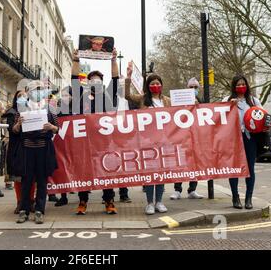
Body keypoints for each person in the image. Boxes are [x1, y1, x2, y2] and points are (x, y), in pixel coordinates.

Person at [72, 48, 119, 215]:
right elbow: (74, 79)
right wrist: (76, 60)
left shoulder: (108, 95)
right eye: (92, 79)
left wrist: (113, 60)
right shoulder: (81, 96)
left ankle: (109, 200)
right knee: (85, 171)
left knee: (106, 171)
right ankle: (83, 201)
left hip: (105, 142)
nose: (95, 82)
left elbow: (115, 78)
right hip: (86, 142)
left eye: (98, 80)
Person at [126, 62, 169, 215]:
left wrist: (194, 101)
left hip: (164, 141)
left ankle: (159, 201)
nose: (155, 86)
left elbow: (183, 108)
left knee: (161, 174)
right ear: (148, 86)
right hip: (147, 142)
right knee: (150, 174)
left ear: (161, 86)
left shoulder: (167, 101)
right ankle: (150, 203)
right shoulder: (143, 99)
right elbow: (127, 96)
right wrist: (128, 78)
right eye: (152, 83)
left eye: (158, 83)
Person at [14, 80, 59, 224]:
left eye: (40, 90)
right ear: (28, 92)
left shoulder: (49, 109)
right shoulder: (22, 108)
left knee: (42, 181)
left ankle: (39, 210)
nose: (37, 93)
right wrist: (19, 124)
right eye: (34, 90)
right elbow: (14, 130)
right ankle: (24, 210)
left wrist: (51, 126)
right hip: (27, 149)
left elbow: (57, 128)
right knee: (26, 181)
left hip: (43, 149)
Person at [223, 75, 268, 210]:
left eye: (243, 84)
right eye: (238, 84)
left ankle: (248, 198)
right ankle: (235, 197)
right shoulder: (227, 100)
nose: (241, 87)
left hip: (250, 138)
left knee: (250, 169)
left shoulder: (254, 101)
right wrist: (230, 105)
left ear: (247, 86)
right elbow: (220, 118)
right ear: (233, 86)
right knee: (234, 169)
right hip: (233, 138)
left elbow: (264, 116)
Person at [170, 78, 204, 200]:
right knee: (180, 163)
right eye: (191, 87)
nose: (193, 90)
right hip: (181, 137)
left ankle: (192, 190)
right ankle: (177, 190)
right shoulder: (180, 100)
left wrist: (197, 106)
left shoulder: (200, 101)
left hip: (195, 137)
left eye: (195, 87)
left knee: (194, 164)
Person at [2, 90, 36, 214]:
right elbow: (12, 130)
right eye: (19, 96)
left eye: (24, 96)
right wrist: (18, 124)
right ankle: (20, 202)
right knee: (18, 177)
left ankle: (31, 201)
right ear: (16, 99)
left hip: (30, 147)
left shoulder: (32, 111)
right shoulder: (11, 113)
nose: (22, 98)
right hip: (16, 147)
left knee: (31, 176)